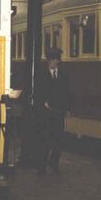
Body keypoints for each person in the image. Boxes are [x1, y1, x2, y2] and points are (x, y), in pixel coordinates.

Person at [33, 47, 70, 175]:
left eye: (54, 60)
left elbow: (67, 92)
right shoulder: (41, 75)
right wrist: (43, 102)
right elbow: (37, 92)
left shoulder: (64, 75)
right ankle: (41, 166)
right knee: (45, 140)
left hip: (59, 111)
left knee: (59, 140)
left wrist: (67, 108)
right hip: (45, 112)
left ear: (58, 61)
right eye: (50, 60)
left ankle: (54, 163)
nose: (52, 62)